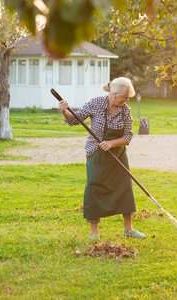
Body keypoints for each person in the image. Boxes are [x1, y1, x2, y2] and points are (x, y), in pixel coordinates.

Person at [58, 77, 146, 240]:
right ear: (114, 94)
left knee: (125, 187)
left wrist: (111, 143)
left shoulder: (125, 110)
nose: (126, 101)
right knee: (94, 187)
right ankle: (94, 232)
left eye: (128, 98)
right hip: (96, 154)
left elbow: (128, 136)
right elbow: (75, 121)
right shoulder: (95, 103)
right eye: (124, 97)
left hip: (118, 155)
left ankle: (129, 229)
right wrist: (65, 111)